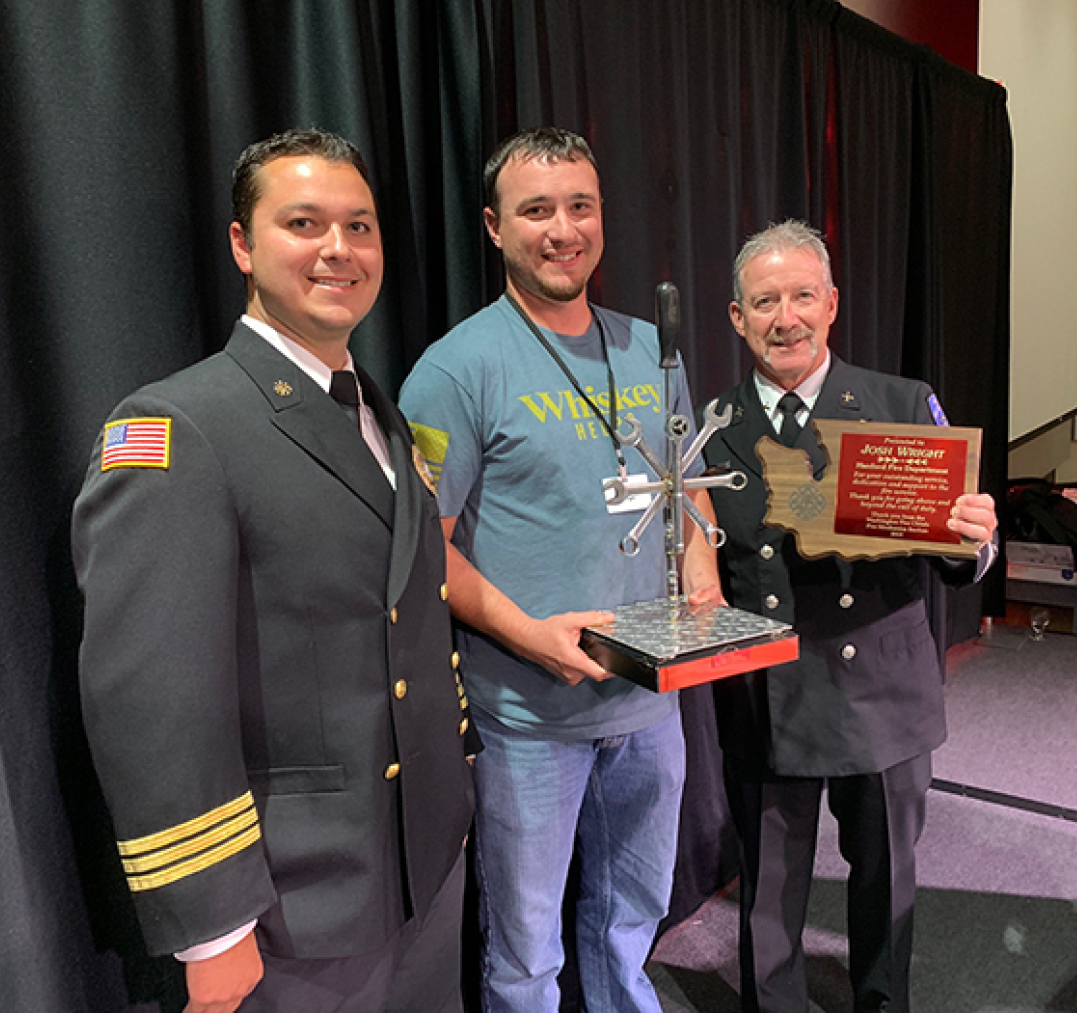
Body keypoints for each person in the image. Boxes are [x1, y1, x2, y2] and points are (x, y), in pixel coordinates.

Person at [73, 127, 476, 1013]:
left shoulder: (381, 413)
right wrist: (212, 926)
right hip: (293, 904)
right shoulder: (180, 428)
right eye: (304, 222)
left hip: (421, 863)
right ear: (243, 245)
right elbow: (152, 698)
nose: (340, 249)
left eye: (360, 226)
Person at [397, 127, 722, 1012]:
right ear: (496, 228)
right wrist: (529, 636)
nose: (562, 228)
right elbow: (425, 550)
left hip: (651, 703)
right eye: (536, 209)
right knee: (526, 948)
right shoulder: (455, 370)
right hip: (526, 720)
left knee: (631, 917)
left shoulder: (652, 349)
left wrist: (703, 581)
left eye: (580, 205)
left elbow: (685, 484)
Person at [703, 220, 998, 1013]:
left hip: (883, 687)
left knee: (888, 878)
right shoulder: (709, 427)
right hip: (768, 690)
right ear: (737, 317)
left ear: (832, 305)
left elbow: (957, 553)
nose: (785, 317)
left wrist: (979, 538)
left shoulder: (903, 404)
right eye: (764, 301)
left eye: (803, 295)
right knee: (769, 887)